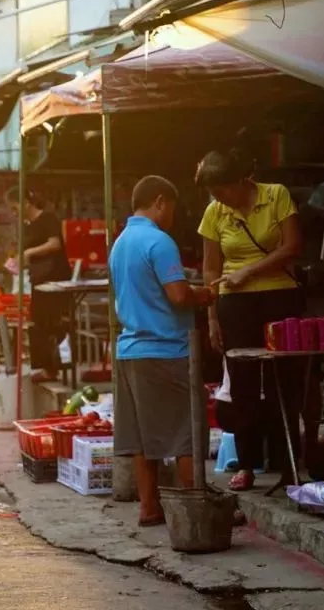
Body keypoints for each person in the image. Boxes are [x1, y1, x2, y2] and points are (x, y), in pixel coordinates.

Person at [109, 175, 216, 526]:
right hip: (165, 350)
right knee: (186, 430)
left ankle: (149, 507)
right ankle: (195, 506)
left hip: (130, 352)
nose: (173, 214)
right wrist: (206, 294)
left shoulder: (120, 242)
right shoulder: (159, 241)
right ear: (159, 201)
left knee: (144, 436)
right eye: (171, 206)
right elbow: (179, 296)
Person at [198, 149, 303, 491]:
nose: (218, 199)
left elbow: (292, 246)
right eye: (213, 194)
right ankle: (246, 465)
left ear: (239, 181)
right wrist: (212, 317)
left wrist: (249, 272)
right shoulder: (215, 212)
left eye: (221, 191)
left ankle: (290, 464)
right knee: (241, 383)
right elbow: (211, 268)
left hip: (280, 296)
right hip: (234, 304)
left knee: (283, 379)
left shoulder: (276, 196)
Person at [20, 189, 72, 382]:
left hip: (54, 279)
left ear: (26, 203)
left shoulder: (48, 218)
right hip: (38, 279)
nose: (14, 212)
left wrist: (30, 253)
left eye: (15, 207)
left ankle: (55, 366)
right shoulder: (28, 226)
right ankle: (45, 367)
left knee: (53, 323)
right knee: (38, 322)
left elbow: (54, 244)